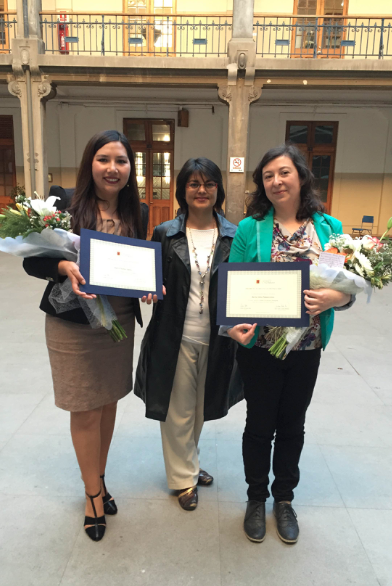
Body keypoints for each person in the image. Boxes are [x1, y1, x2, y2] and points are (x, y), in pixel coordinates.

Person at [225, 144, 354, 544]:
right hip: (260, 348)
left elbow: (343, 287)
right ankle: (254, 499)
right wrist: (231, 326)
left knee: (292, 425)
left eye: (283, 173)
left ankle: (284, 499)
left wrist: (338, 298)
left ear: (301, 176)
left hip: (307, 348)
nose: (276, 181)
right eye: (268, 176)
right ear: (261, 184)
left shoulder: (329, 229)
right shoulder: (251, 228)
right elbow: (232, 285)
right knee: (259, 424)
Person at [23, 130, 147, 542]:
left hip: (119, 320)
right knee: (85, 407)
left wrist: (147, 286)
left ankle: (101, 477)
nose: (113, 168)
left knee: (108, 401)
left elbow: (137, 265)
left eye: (121, 161)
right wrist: (64, 268)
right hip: (72, 322)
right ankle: (92, 494)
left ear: (131, 169)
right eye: (104, 159)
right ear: (89, 163)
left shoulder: (137, 211)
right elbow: (33, 261)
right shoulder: (64, 202)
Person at [135, 157, 243, 511]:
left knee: (199, 409)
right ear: (182, 189)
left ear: (218, 189)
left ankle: (189, 464)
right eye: (193, 184)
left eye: (208, 183)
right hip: (175, 335)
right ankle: (183, 478)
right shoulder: (165, 233)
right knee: (178, 409)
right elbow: (153, 279)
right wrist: (148, 289)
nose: (201, 190)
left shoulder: (233, 234)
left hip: (218, 337)